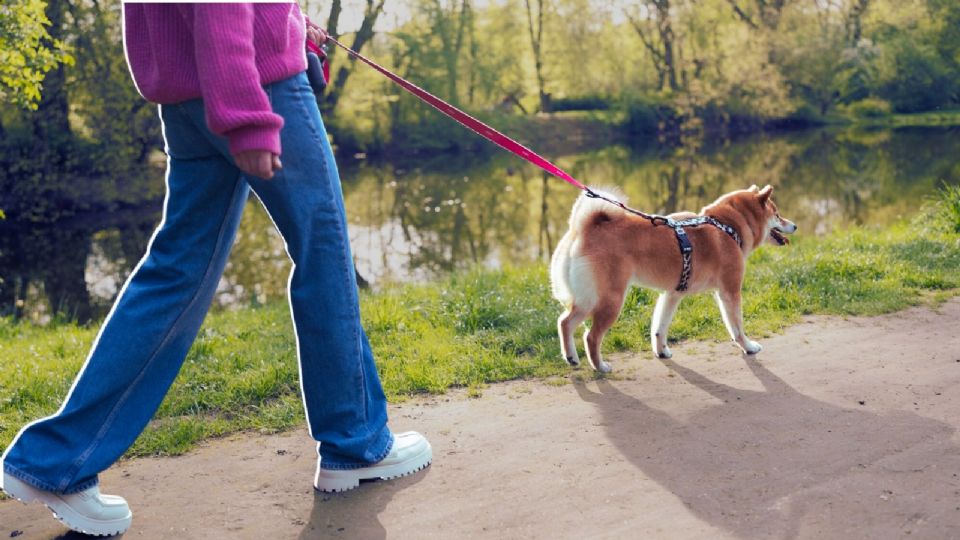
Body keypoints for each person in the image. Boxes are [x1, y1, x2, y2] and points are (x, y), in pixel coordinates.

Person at [0, 3, 431, 536]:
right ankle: (356, 443)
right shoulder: (246, 90)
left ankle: (54, 460)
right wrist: (245, 113)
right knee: (324, 256)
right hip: (252, 84)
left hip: (187, 91)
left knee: (175, 274)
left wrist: (286, 23)